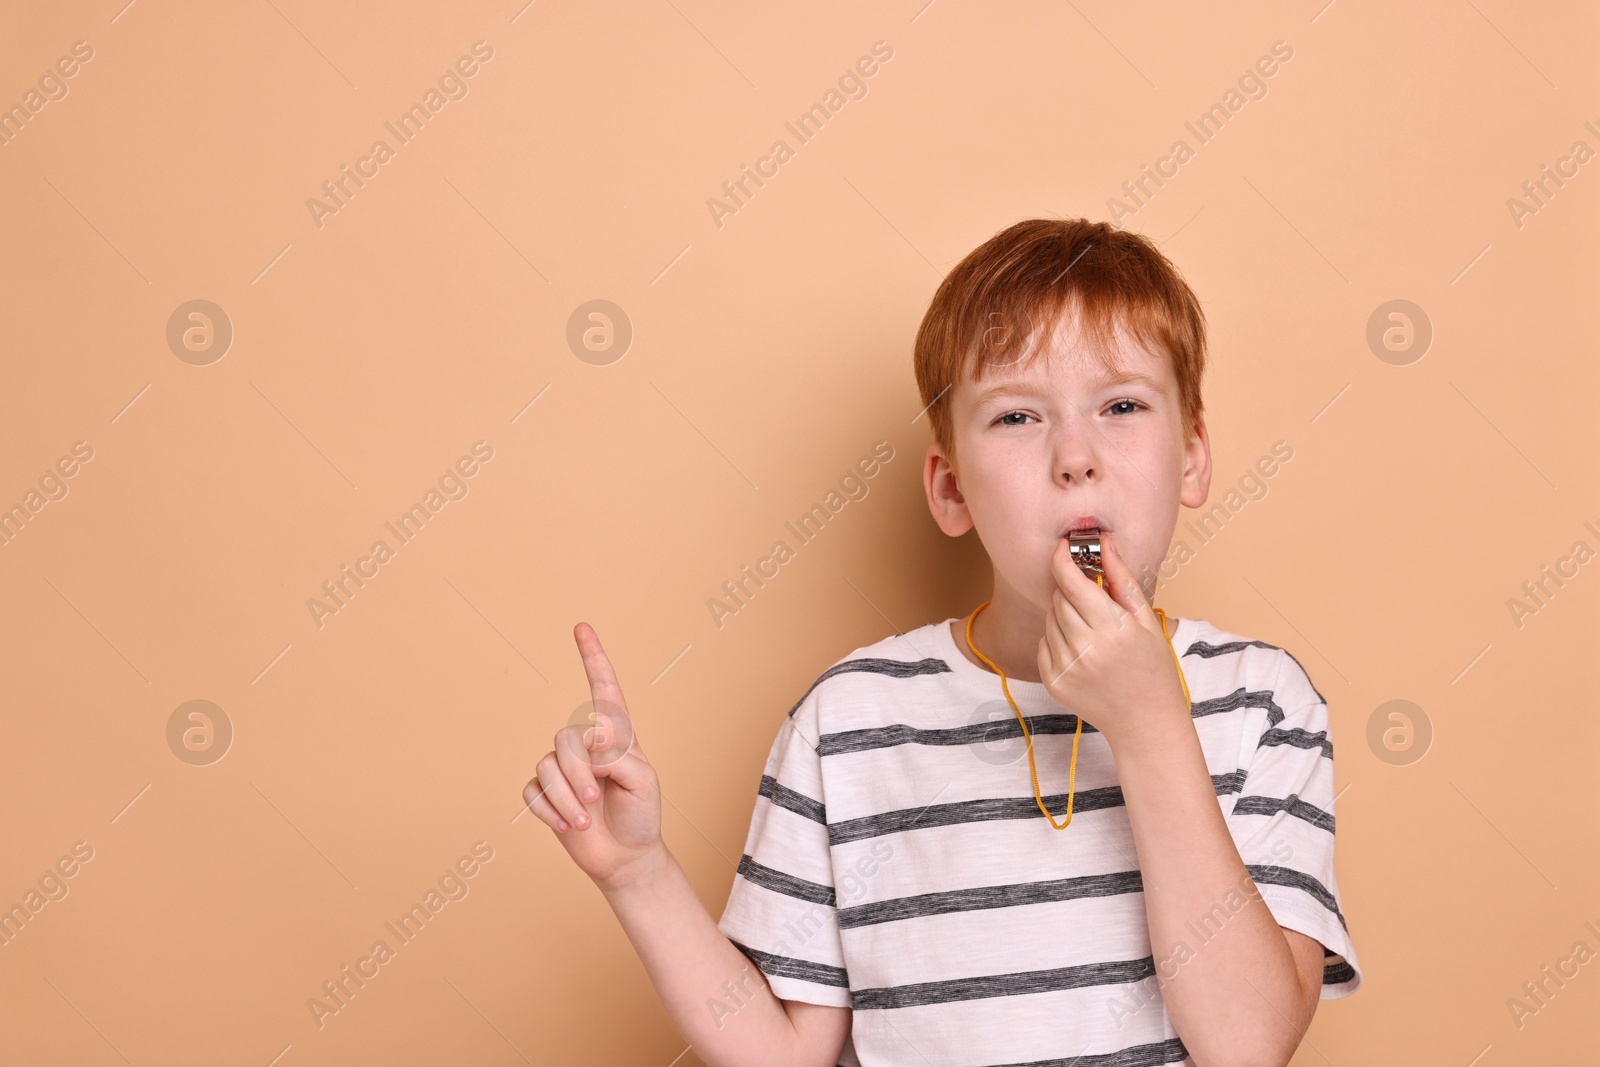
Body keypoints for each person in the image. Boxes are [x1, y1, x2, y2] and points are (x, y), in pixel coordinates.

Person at [524, 217, 1363, 1066]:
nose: (1075, 456)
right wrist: (638, 874)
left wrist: (1148, 725)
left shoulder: (1264, 703)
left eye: (1121, 405)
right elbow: (784, 1056)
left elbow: (1248, 1045)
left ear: (1191, 456)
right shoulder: (847, 721)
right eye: (1016, 417)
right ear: (952, 487)